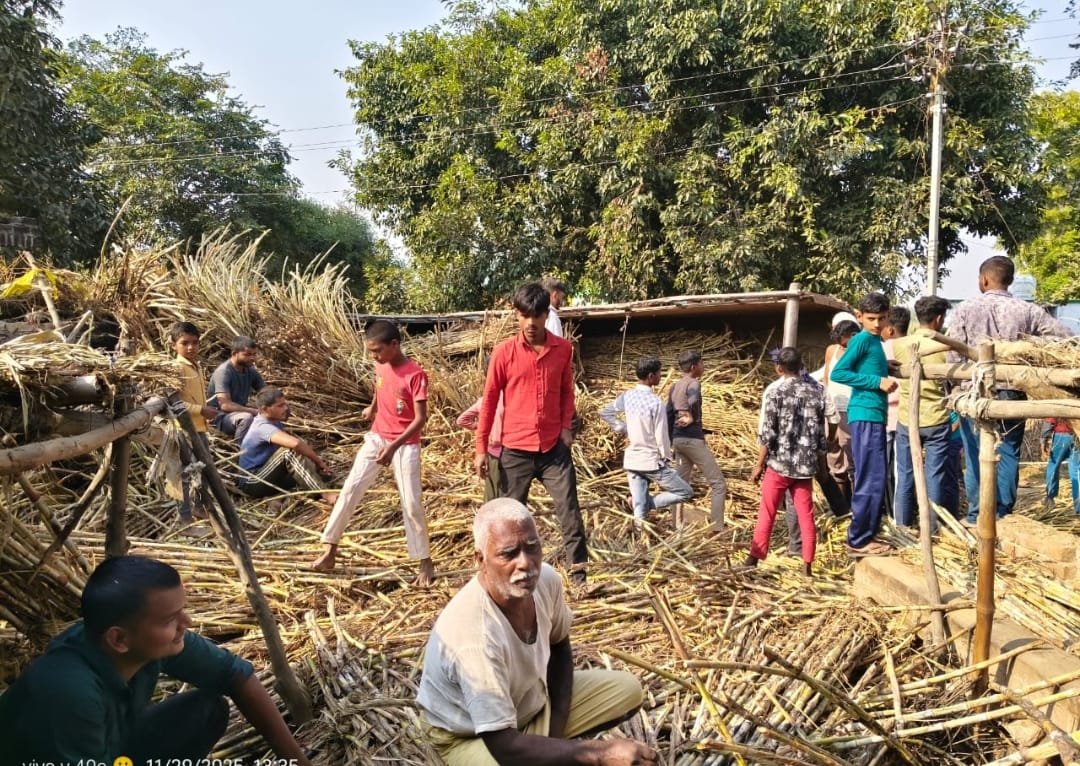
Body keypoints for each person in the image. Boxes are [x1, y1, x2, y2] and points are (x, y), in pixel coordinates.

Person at [0, 556, 311, 766]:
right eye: (170, 619)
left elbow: (236, 677)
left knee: (206, 710)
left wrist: (297, 760)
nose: (186, 623)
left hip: (110, 750)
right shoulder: (68, 693)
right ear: (118, 639)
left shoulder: (150, 642)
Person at [416, 498, 657, 766]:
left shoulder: (547, 581)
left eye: (533, 548)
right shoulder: (475, 635)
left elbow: (560, 648)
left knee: (627, 690)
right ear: (480, 559)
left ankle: (540, 747)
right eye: (508, 554)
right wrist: (599, 754)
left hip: (528, 704)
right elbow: (504, 746)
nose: (526, 563)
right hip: (472, 734)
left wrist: (556, 739)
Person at [475, 282, 589, 584]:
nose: (531, 323)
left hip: (554, 449)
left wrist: (566, 428)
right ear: (516, 315)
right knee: (511, 520)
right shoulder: (503, 354)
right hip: (515, 449)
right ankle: (510, 577)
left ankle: (579, 574)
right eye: (524, 316)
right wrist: (480, 448)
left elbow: (567, 393)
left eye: (536, 316)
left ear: (545, 314)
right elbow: (488, 402)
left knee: (569, 510)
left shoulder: (563, 350)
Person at [949, 256, 1073, 523]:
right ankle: (1003, 516)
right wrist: (1030, 352)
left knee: (974, 455)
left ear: (983, 280)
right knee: (1007, 454)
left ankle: (977, 516)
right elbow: (1063, 338)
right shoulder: (1026, 310)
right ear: (1011, 281)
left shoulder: (965, 309)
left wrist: (956, 386)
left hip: (974, 392)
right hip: (1013, 392)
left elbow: (953, 355)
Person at [313, 320, 434, 584]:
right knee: (350, 489)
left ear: (394, 344)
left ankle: (424, 560)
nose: (374, 356)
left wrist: (393, 446)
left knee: (411, 503)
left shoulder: (415, 375)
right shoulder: (380, 364)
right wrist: (374, 407)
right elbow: (380, 386)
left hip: (404, 445)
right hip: (377, 437)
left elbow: (420, 419)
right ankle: (329, 548)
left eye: (377, 351)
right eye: (371, 352)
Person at [747, 348, 826, 575]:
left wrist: (759, 464)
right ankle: (807, 564)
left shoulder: (775, 392)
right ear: (801, 365)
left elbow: (768, 433)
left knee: (768, 511)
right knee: (806, 514)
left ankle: (755, 557)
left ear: (779, 368)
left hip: (779, 465)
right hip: (804, 467)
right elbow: (820, 433)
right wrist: (819, 461)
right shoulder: (816, 391)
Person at [830, 293, 897, 557]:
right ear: (860, 317)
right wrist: (877, 382)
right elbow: (839, 372)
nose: (877, 323)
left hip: (873, 415)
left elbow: (865, 368)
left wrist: (885, 368)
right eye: (871, 319)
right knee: (871, 477)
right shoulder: (861, 339)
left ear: (888, 316)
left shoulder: (875, 342)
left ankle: (866, 533)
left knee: (874, 476)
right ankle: (858, 540)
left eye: (881, 318)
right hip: (866, 414)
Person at [600, 356, 693, 524]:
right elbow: (661, 435)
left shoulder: (627, 396)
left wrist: (622, 427)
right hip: (650, 461)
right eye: (659, 374)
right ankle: (647, 504)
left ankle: (639, 537)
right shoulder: (655, 402)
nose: (660, 377)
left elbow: (605, 412)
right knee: (685, 492)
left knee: (639, 514)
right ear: (651, 376)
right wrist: (666, 457)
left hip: (631, 460)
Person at [891, 297, 954, 531]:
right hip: (937, 418)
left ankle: (903, 527)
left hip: (908, 419)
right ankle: (933, 528)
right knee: (934, 477)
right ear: (938, 319)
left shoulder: (900, 345)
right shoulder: (947, 347)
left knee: (905, 475)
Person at [237, 387, 338, 504]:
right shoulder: (262, 427)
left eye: (285, 404)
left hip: (268, 474)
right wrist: (318, 462)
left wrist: (315, 466)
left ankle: (315, 486)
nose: (285, 408)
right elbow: (295, 444)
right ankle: (324, 494)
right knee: (289, 452)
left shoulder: (274, 421)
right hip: (253, 481)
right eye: (280, 406)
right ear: (265, 409)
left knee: (313, 467)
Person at [667, 351, 728, 531]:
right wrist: (692, 416)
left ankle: (675, 525)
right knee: (718, 484)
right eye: (702, 363)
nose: (703, 366)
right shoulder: (694, 383)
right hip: (693, 440)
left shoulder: (675, 386)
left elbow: (668, 413)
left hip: (678, 440)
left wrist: (671, 440)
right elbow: (693, 399)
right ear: (694, 367)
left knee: (680, 484)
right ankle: (717, 528)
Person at [169, 321, 218, 536]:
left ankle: (199, 508)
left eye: (195, 343)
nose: (190, 347)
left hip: (198, 428)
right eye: (184, 343)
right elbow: (174, 403)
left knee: (204, 468)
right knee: (185, 475)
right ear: (173, 345)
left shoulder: (194, 366)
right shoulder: (175, 368)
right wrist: (201, 410)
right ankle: (184, 521)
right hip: (184, 429)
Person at [823, 319, 861, 504]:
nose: (843, 347)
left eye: (846, 344)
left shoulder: (861, 353)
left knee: (853, 457)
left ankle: (856, 505)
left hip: (850, 411)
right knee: (833, 454)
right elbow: (826, 379)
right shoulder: (832, 351)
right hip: (832, 410)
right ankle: (840, 505)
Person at [880, 306, 911, 522]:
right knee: (903, 470)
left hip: (884, 416)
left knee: (883, 468)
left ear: (890, 329)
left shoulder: (881, 350)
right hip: (906, 416)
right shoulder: (914, 347)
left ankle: (887, 514)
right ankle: (903, 516)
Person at [207, 336, 266, 443]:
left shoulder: (250, 370)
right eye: (247, 354)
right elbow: (225, 405)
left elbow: (265, 391)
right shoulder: (224, 372)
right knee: (246, 418)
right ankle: (240, 450)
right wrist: (253, 411)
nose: (252, 358)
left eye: (254, 354)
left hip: (236, 413)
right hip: (219, 417)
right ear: (234, 353)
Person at [458, 386, 506, 503]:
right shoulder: (508, 401)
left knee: (491, 486)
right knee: (504, 488)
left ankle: (488, 513)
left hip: (489, 451)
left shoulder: (483, 400)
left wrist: (482, 426)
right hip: (507, 450)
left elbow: (461, 420)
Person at [1042, 418, 1079, 513]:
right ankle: (1078, 507)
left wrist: (1043, 439)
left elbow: (1050, 419)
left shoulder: (1059, 404)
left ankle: (1050, 498)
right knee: (1076, 472)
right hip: (1076, 436)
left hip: (1061, 437)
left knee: (1053, 466)